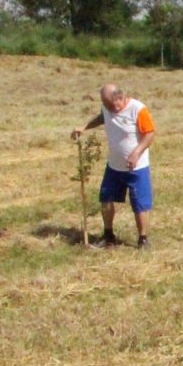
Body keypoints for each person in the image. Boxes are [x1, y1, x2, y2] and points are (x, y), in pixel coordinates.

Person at [71, 83, 155, 248]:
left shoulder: (138, 109)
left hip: (136, 168)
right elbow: (102, 117)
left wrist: (136, 153)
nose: (109, 109)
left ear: (121, 97)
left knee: (140, 203)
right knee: (107, 199)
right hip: (114, 166)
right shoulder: (107, 108)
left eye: (111, 105)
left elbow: (149, 134)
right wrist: (84, 127)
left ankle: (143, 239)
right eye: (106, 105)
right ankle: (109, 236)